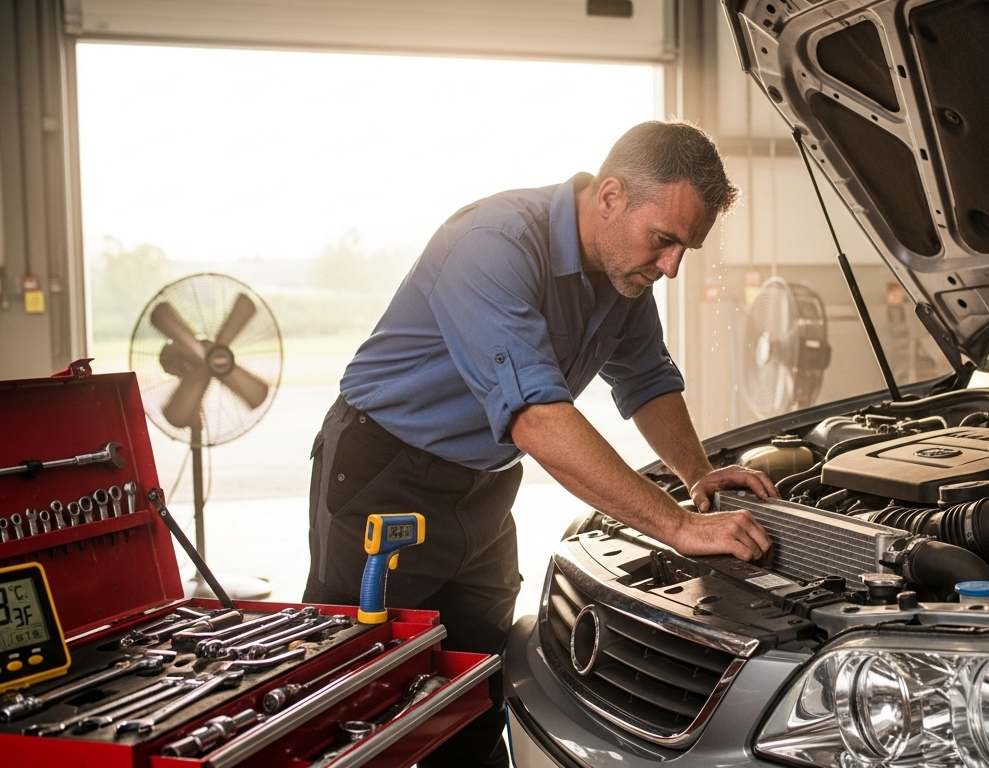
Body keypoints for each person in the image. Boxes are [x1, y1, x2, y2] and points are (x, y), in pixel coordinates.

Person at [302, 121, 775, 767]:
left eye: (684, 249)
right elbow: (536, 417)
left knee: (474, 685)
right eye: (664, 241)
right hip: (385, 472)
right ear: (610, 197)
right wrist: (679, 528)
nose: (670, 267)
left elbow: (645, 379)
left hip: (487, 486)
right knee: (355, 693)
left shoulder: (622, 272)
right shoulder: (493, 243)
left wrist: (699, 476)